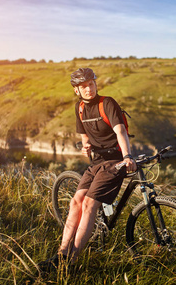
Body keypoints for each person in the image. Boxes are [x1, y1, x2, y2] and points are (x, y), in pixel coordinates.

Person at [39, 68, 136, 272]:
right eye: (84, 86)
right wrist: (86, 147)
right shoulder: (80, 108)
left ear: (95, 84)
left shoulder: (107, 103)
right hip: (96, 163)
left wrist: (127, 156)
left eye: (91, 84)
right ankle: (62, 253)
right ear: (77, 90)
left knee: (90, 204)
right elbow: (84, 135)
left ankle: (72, 261)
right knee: (76, 202)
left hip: (114, 161)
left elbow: (120, 131)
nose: (89, 89)